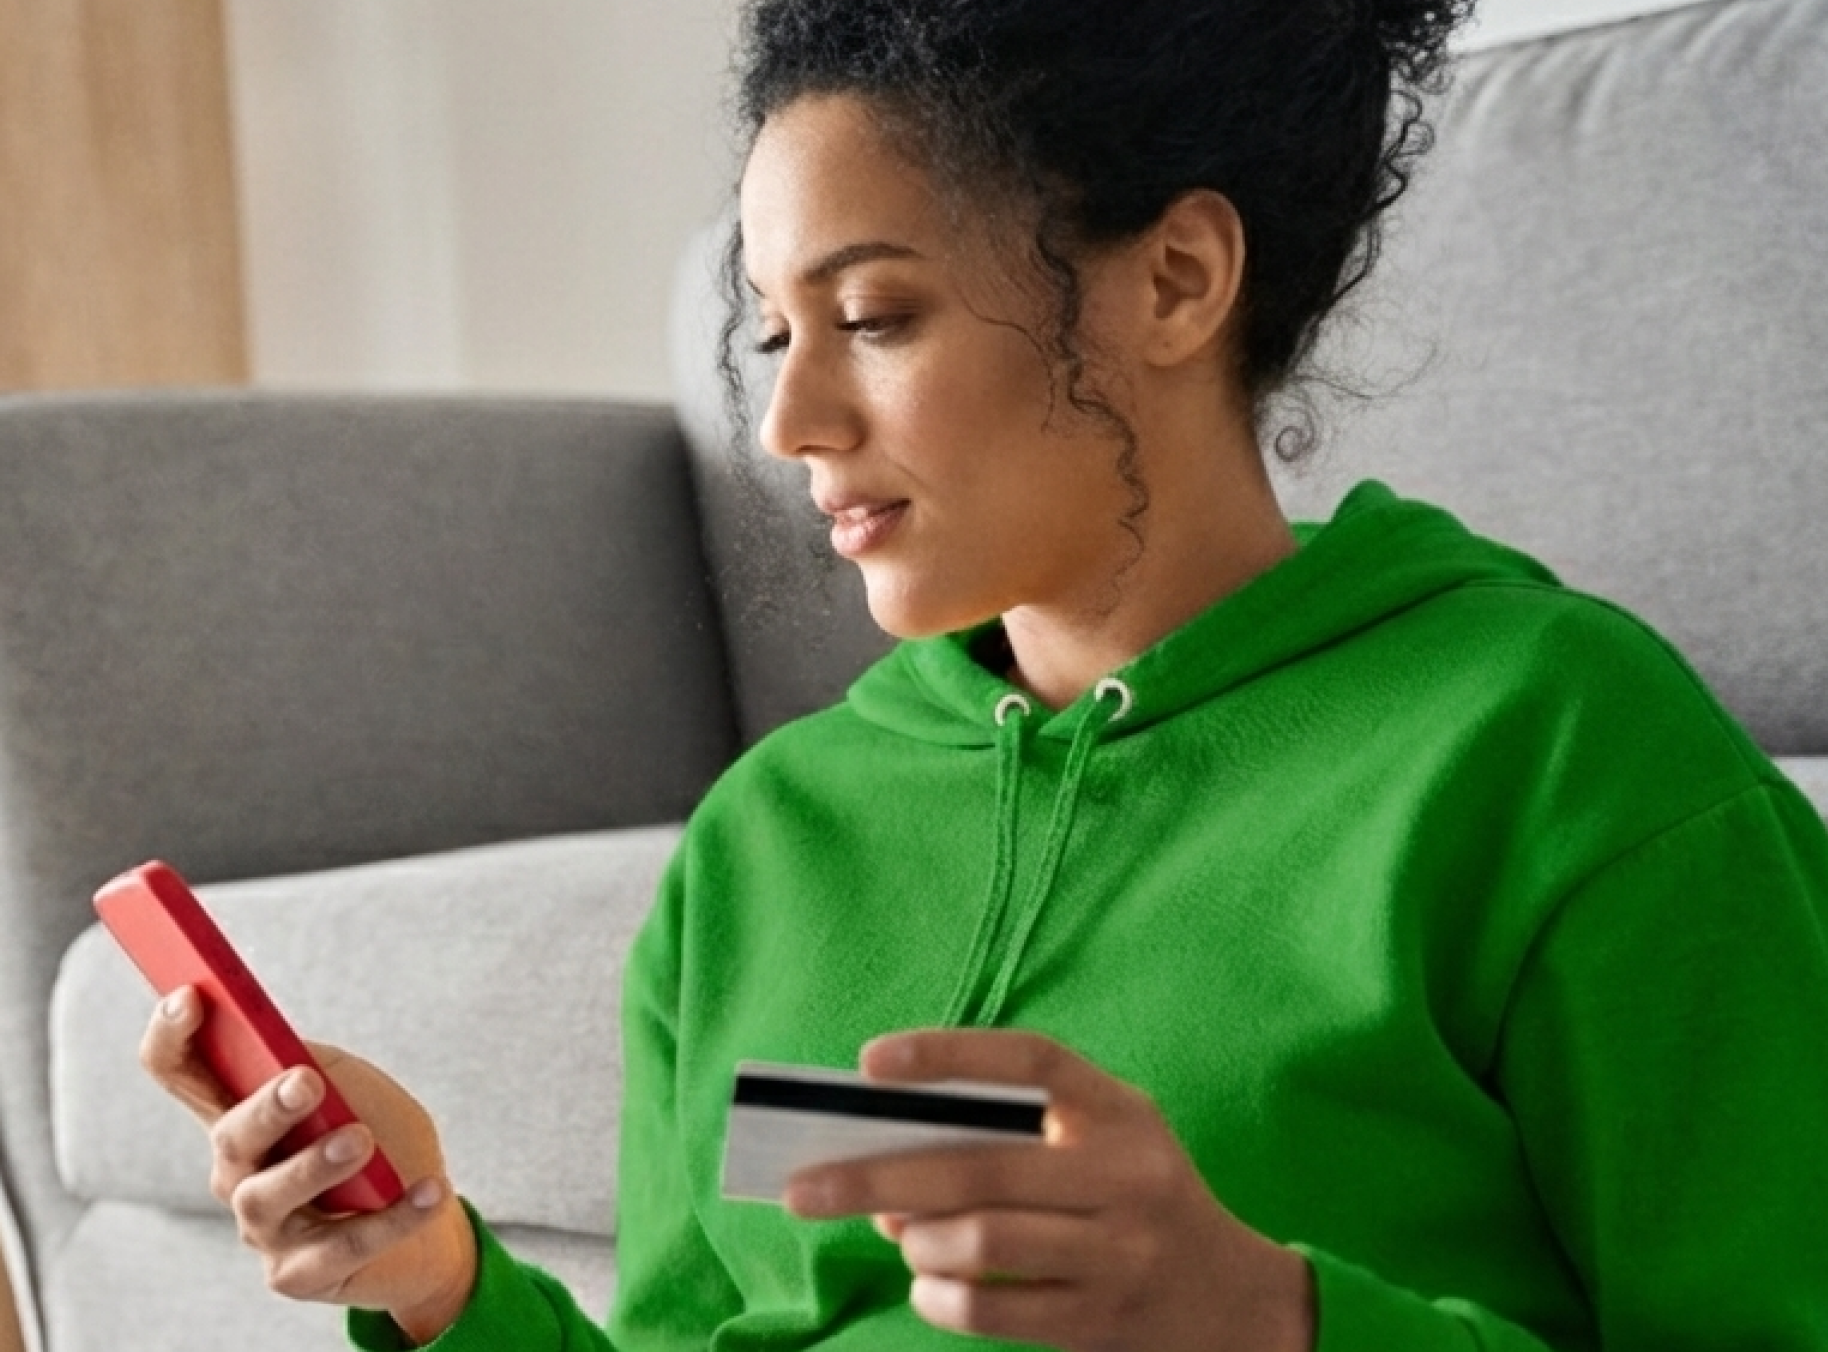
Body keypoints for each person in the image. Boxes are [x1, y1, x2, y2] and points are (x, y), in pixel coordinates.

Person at [142, 0, 1828, 1348]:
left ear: (1176, 279)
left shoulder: (1562, 755)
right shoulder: (769, 841)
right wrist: (433, 1273)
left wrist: (1269, 1322)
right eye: (769, 335)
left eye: (872, 315)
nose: (792, 425)